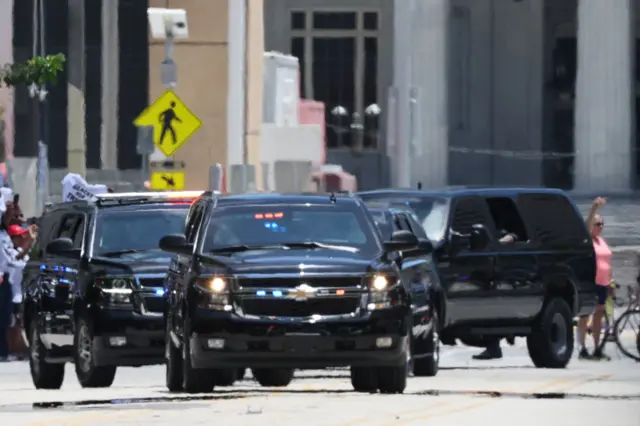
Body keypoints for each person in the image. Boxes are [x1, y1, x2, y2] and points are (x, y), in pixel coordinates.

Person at [471, 226, 518, 360]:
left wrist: (505, 240)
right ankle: (494, 347)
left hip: (501, 278)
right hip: (489, 277)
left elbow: (514, 236)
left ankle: (497, 344)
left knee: (491, 313)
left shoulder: (495, 226)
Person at [577, 197, 611, 360]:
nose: (601, 227)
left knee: (599, 314)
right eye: (598, 224)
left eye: (603, 224)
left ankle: (597, 348)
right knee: (585, 315)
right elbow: (586, 224)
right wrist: (594, 209)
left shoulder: (602, 241)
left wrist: (611, 280)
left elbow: (606, 262)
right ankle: (582, 348)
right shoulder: (587, 240)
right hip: (591, 281)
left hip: (603, 282)